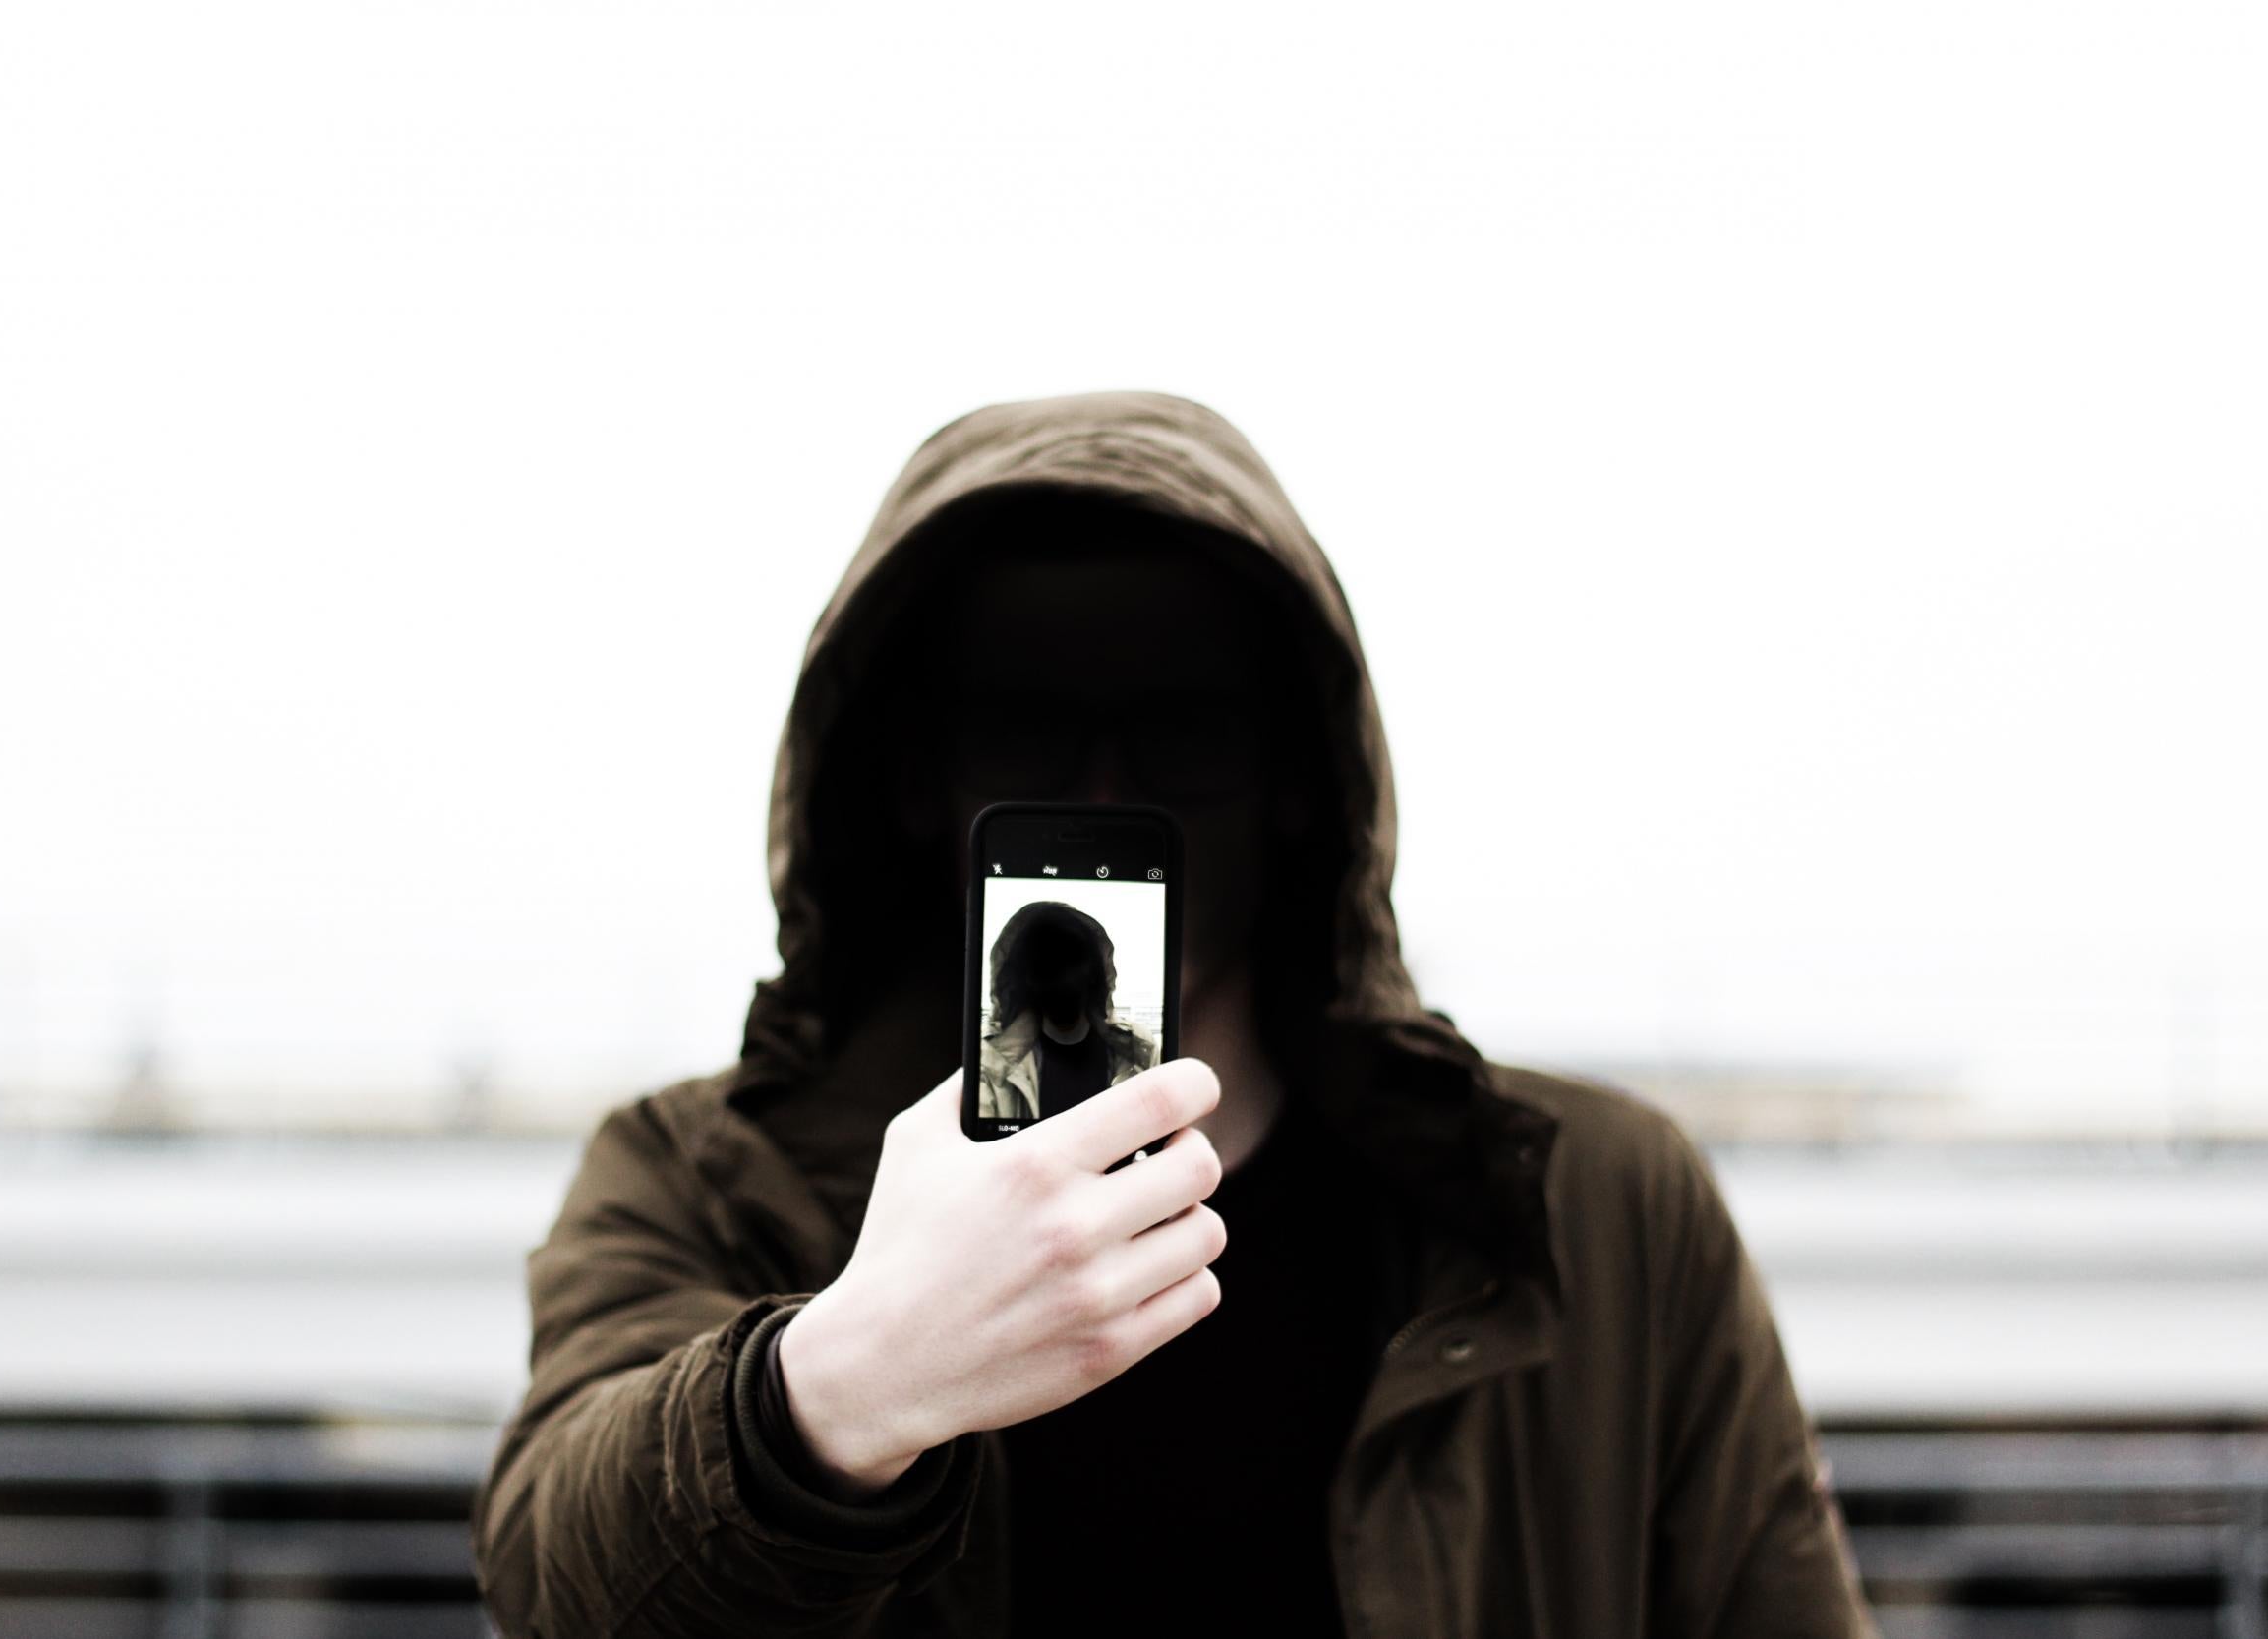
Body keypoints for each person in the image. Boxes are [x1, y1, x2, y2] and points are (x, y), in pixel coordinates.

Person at [469, 390, 1878, 1638]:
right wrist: (840, 1385)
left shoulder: (1591, 1204)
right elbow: (552, 1585)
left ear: (1294, 776)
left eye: (1183, 729)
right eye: (1028, 727)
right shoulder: (701, 1176)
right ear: (913, 778)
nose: (1105, 792)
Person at [977, 900, 1162, 1121]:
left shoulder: (1139, 1049)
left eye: (1071, 960)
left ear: (1094, 973)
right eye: (1049, 965)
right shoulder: (991, 1059)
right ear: (1029, 978)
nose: (1064, 979)